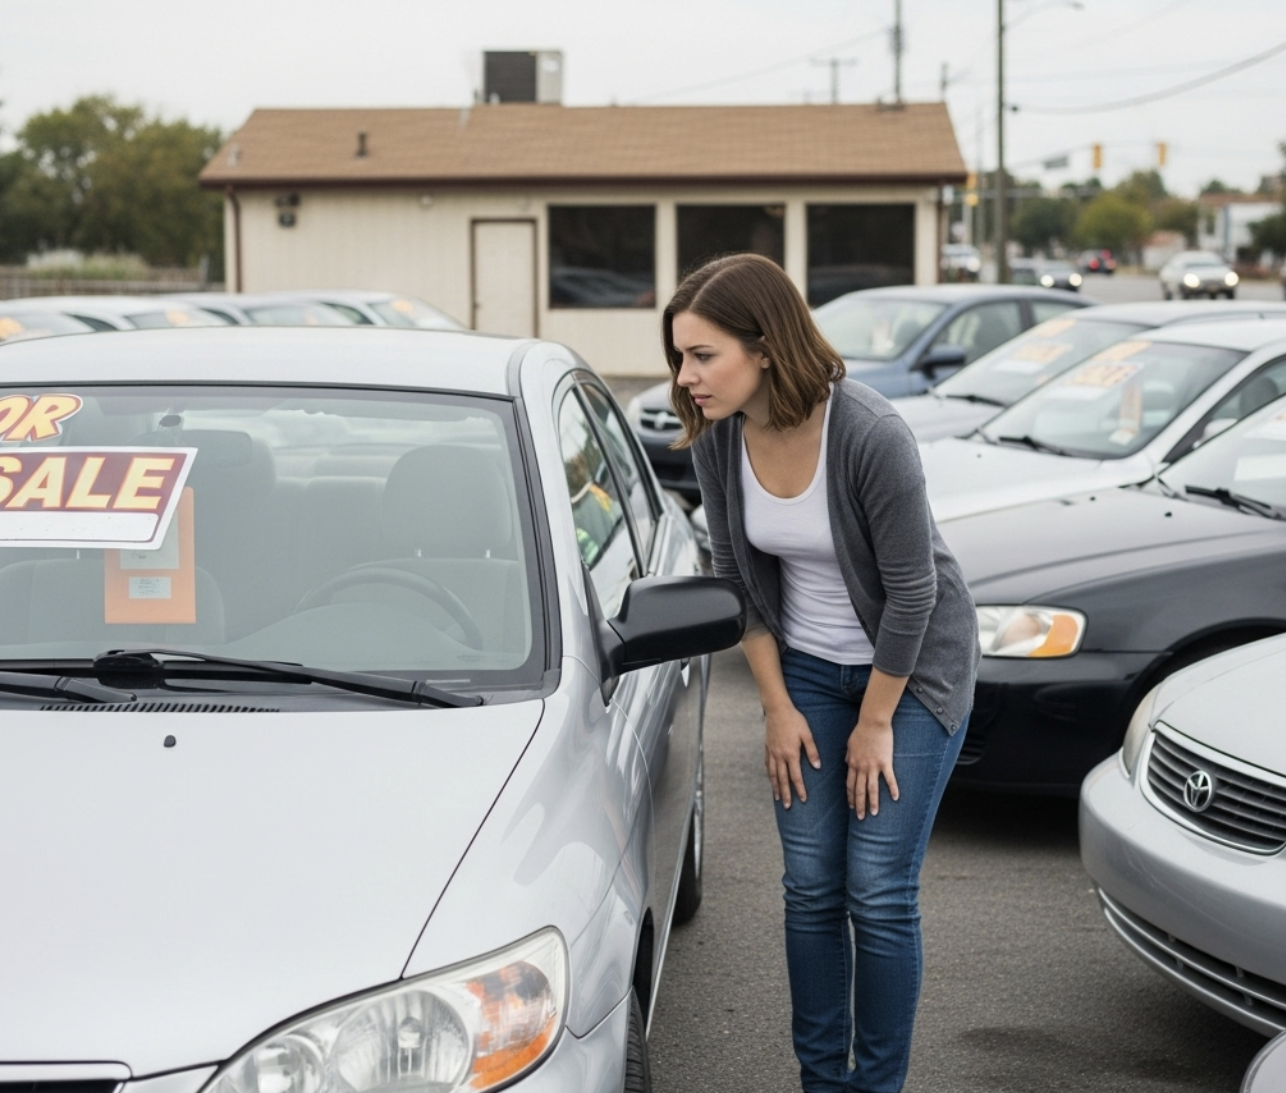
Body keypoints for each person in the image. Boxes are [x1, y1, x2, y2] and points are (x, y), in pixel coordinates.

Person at [663, 254, 979, 1093]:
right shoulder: (718, 438)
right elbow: (736, 581)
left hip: (907, 674)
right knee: (810, 885)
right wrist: (774, 704)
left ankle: (874, 1086)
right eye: (680, 358)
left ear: (765, 346)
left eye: (703, 355)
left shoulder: (870, 433)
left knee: (875, 889)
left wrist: (876, 722)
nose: (686, 377)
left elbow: (913, 592)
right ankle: (821, 1082)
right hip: (801, 667)